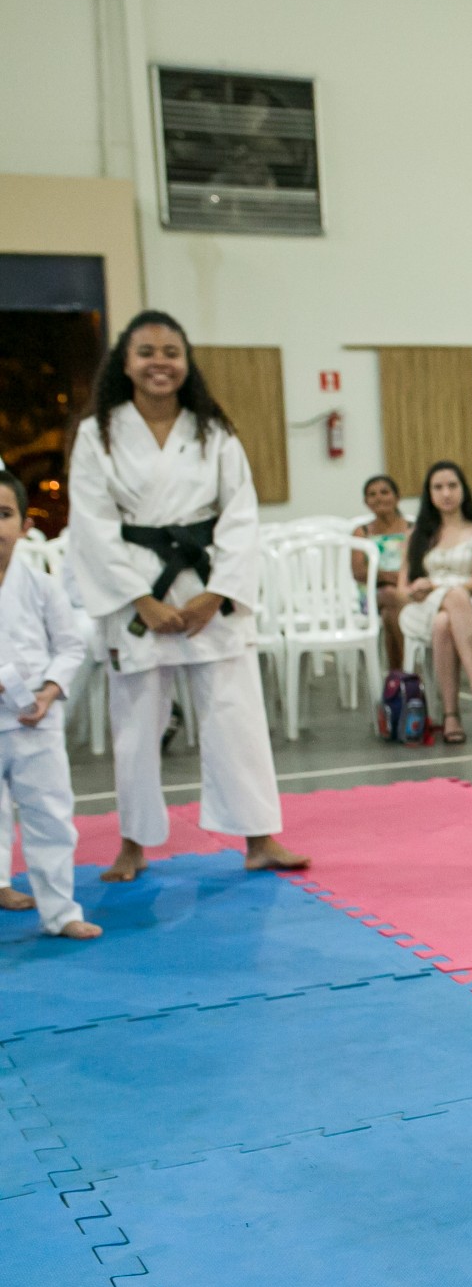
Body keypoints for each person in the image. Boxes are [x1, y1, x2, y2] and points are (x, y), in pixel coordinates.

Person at [66, 310, 308, 881]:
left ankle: (258, 837)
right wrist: (141, 600)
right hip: (135, 593)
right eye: (147, 352)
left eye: (171, 352)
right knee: (135, 725)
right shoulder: (97, 434)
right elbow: (92, 524)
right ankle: (133, 844)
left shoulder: (212, 432)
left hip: (206, 585)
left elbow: (241, 514)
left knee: (235, 715)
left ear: (186, 362)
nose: (160, 363)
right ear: (125, 363)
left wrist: (217, 593)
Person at [0, 472, 99, 939]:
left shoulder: (42, 586)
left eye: (4, 514)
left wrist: (50, 689)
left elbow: (71, 646)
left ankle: (61, 913)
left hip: (33, 718)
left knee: (50, 816)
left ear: (24, 526)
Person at [398, 461, 472, 746]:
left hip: (471, 608)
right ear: (429, 493)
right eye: (438, 487)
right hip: (421, 608)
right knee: (448, 603)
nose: (446, 493)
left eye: (452, 486)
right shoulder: (416, 535)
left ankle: (451, 716)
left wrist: (437, 586)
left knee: (445, 619)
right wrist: (418, 590)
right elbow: (401, 588)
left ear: (463, 490)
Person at [351, 474, 411, 670]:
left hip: (408, 592)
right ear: (366, 501)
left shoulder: (412, 528)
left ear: (397, 497)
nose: (379, 498)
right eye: (372, 494)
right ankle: (410, 668)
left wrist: (399, 581)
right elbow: (359, 572)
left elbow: (420, 565)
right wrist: (392, 577)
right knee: (389, 594)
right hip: (371, 596)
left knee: (389, 611)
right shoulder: (361, 532)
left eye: (384, 492)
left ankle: (398, 673)